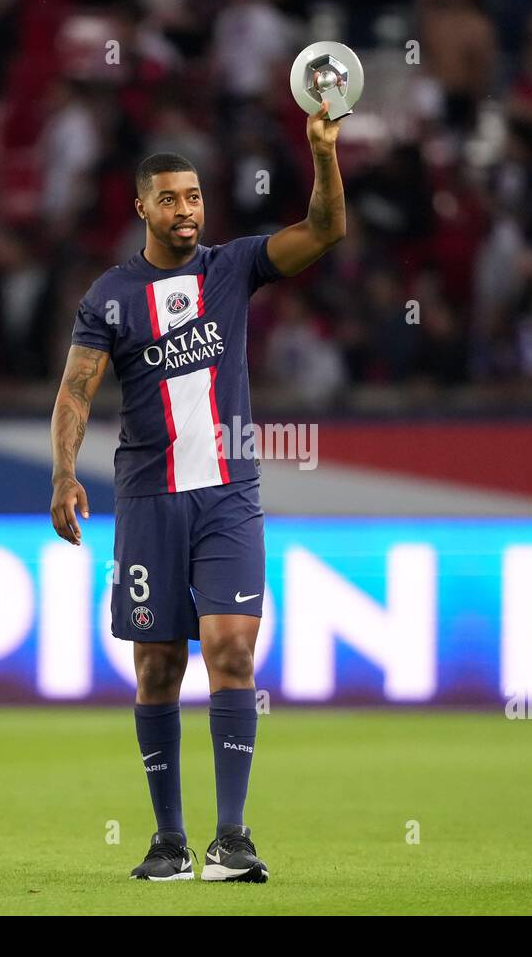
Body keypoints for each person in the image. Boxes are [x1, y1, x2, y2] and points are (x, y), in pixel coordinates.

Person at [49, 101, 346, 882]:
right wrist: (62, 471)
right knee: (156, 666)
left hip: (227, 492)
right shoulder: (110, 294)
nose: (187, 210)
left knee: (232, 647)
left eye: (195, 197)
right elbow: (77, 390)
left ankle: (234, 837)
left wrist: (321, 153)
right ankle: (169, 841)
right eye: (171, 199)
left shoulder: (232, 267)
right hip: (149, 496)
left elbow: (323, 232)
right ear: (141, 206)